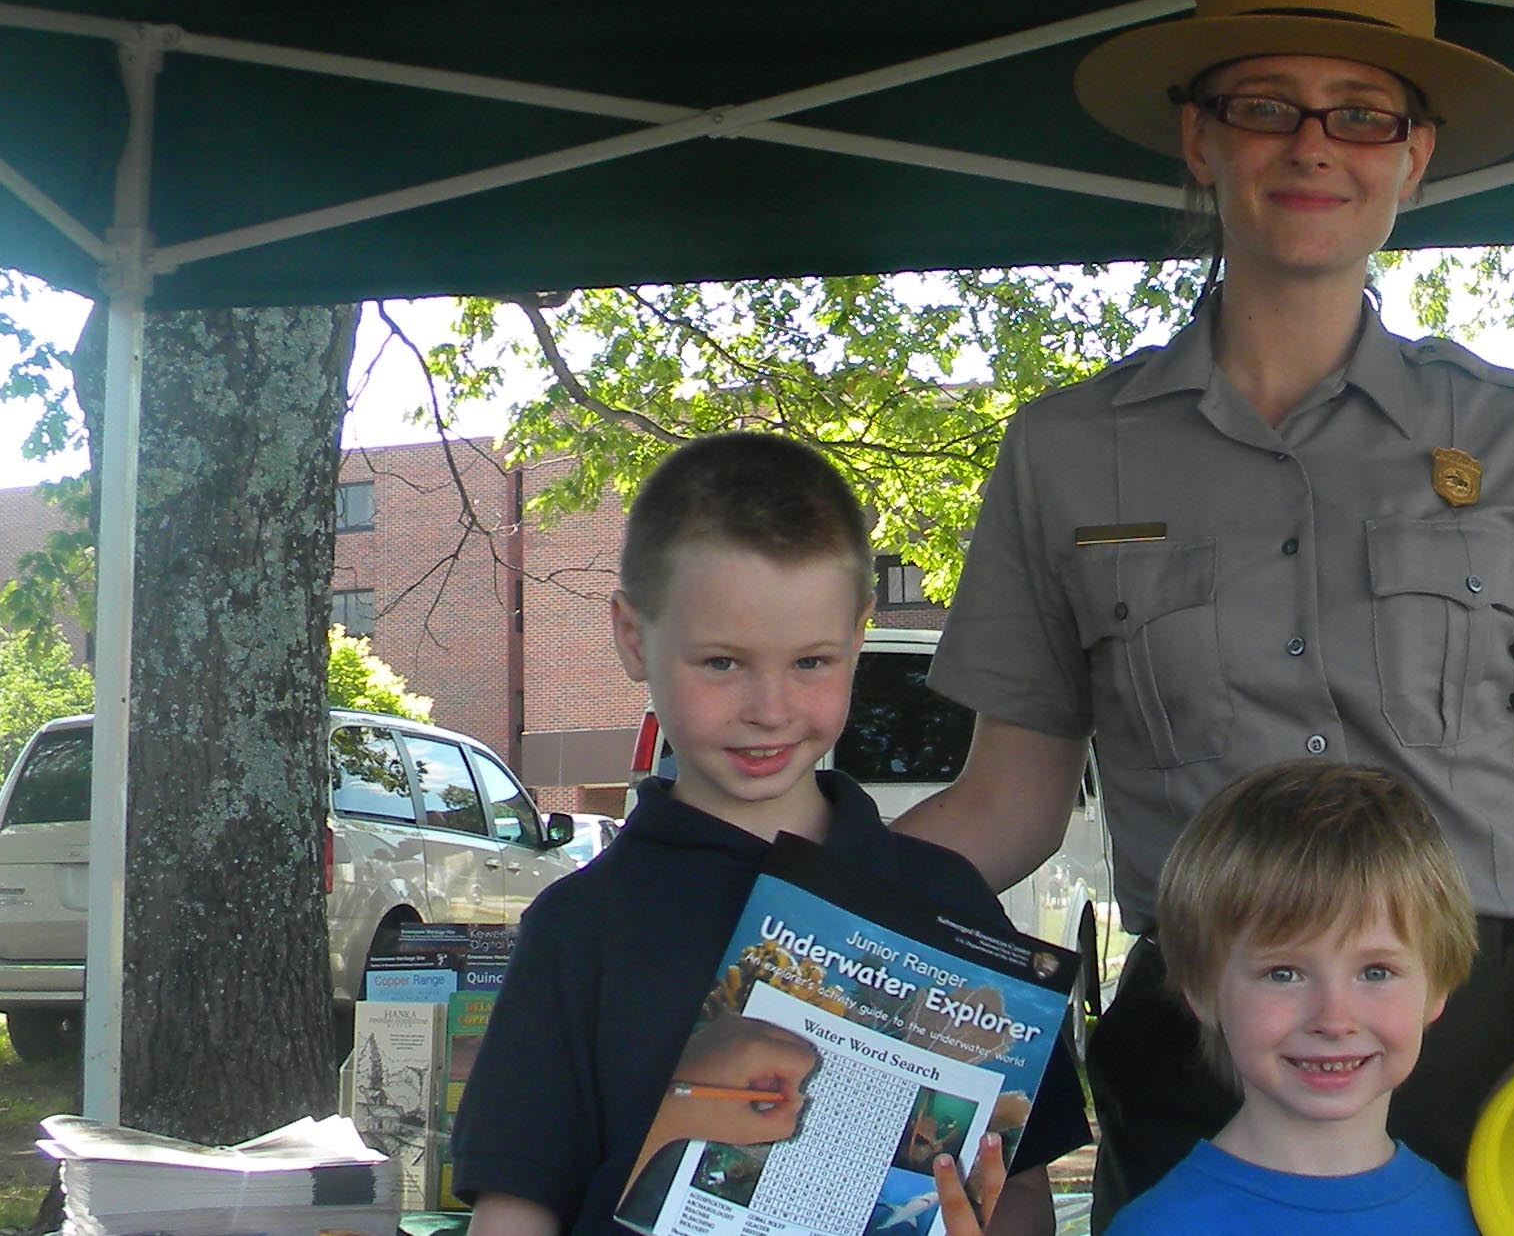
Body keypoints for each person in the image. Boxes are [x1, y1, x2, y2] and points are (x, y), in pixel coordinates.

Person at [898, 0, 1514, 1221]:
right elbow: (1008, 806)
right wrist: (778, 885)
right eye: (1265, 106)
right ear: (1199, 138)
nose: (1312, 145)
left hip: (1485, 1036)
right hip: (1204, 1049)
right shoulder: (1064, 453)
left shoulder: (1513, 434)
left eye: (1361, 114)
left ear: (1413, 156)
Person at [452, 433, 1089, 1236]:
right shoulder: (581, 927)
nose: (769, 706)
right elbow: (515, 1205)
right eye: (722, 662)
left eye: (811, 662)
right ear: (631, 635)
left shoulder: (946, 899)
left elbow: (1024, 1192)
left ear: (859, 636)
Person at [1107, 762, 1481, 1234]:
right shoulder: (1160, 1228)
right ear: (1201, 991)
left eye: (1376, 971)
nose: (1334, 1018)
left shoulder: (1487, 1218)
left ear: (1438, 987)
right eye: (1283, 974)